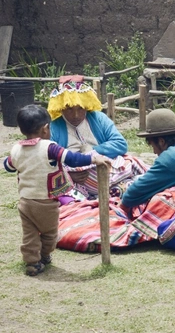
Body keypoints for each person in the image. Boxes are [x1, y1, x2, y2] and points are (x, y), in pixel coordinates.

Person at [3, 105, 110, 276]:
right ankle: (44, 255)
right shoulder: (50, 147)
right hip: (47, 202)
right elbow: (73, 159)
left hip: (25, 201)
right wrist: (93, 157)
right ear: (45, 129)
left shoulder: (16, 149)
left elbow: (8, 166)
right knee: (50, 233)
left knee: (29, 234)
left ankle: (32, 262)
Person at [47, 77, 138, 197]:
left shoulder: (99, 118)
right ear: (61, 107)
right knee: (66, 198)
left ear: (87, 104)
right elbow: (48, 161)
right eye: (69, 109)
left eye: (80, 108)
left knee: (132, 169)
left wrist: (92, 151)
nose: (76, 115)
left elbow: (120, 144)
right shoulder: (54, 127)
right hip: (76, 180)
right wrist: (68, 176)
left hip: (107, 170)